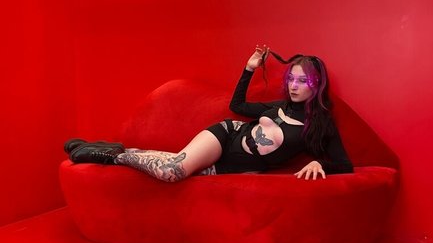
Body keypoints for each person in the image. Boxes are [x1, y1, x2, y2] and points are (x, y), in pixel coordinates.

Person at [64, 46, 353, 182]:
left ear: (317, 84)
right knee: (171, 172)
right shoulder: (277, 107)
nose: (294, 86)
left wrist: (319, 163)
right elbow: (237, 106)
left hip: (231, 168)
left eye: (303, 81)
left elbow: (343, 164)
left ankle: (109, 149)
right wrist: (249, 68)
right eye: (291, 79)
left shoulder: (319, 124)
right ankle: (107, 155)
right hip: (225, 136)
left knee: (174, 163)